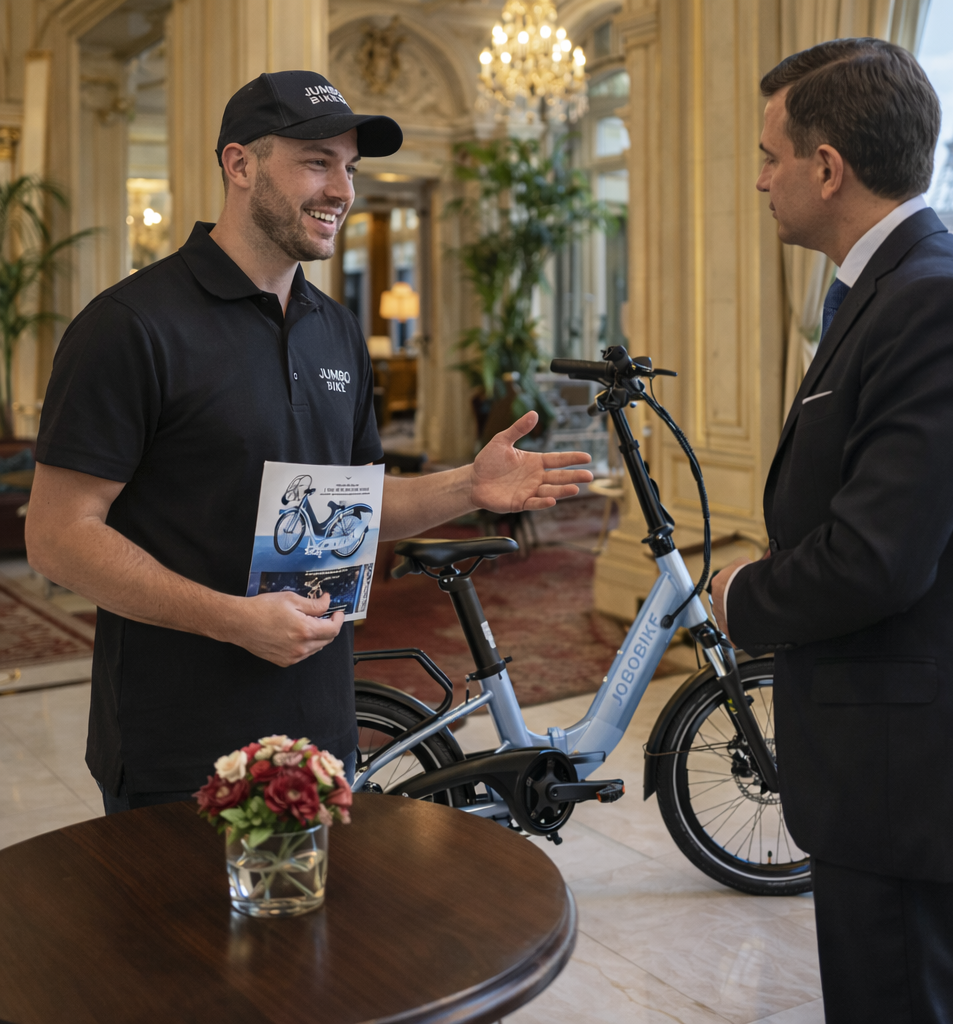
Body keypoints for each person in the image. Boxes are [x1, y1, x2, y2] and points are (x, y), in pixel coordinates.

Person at [24, 70, 592, 814]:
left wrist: (469, 487)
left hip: (322, 729)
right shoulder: (130, 325)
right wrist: (232, 619)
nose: (342, 190)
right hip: (179, 744)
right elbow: (57, 537)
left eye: (349, 168)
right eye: (317, 162)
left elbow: (354, 506)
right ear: (240, 165)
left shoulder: (336, 329)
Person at [709, 39, 953, 1024]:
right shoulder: (902, 287)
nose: (760, 180)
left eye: (770, 157)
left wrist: (739, 596)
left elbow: (877, 559)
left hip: (912, 781)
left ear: (827, 166)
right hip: (894, 773)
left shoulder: (936, 301)